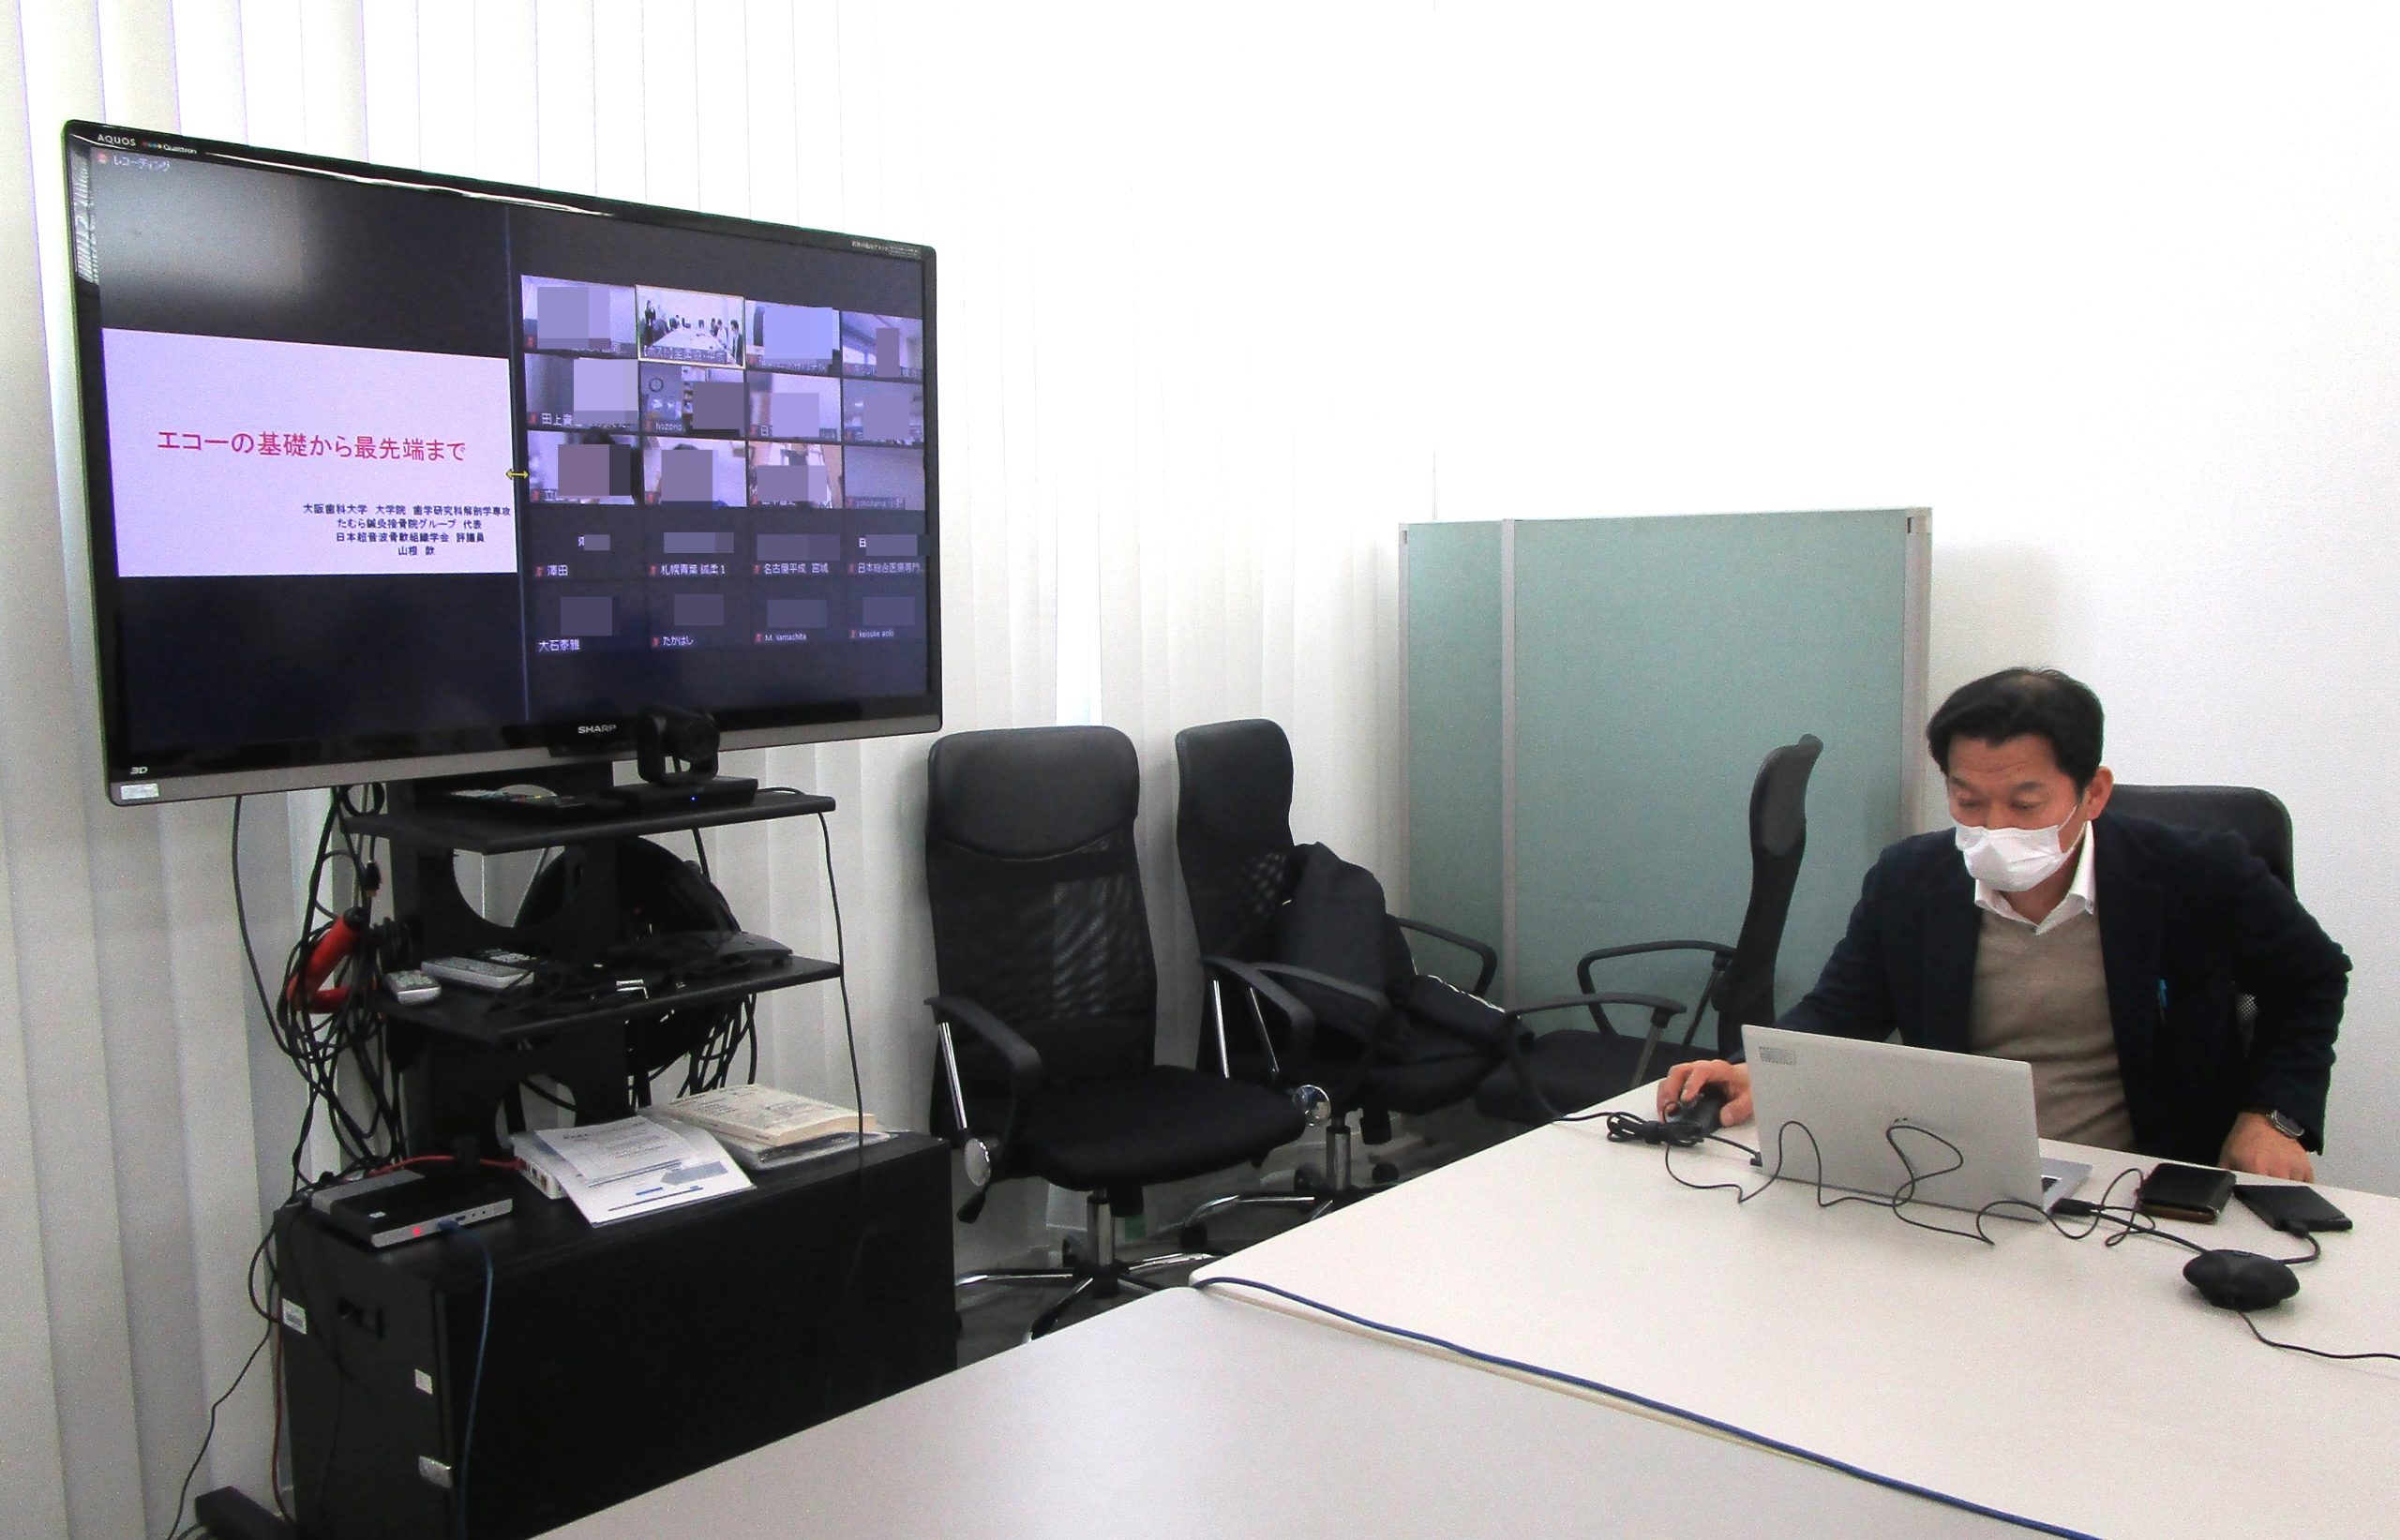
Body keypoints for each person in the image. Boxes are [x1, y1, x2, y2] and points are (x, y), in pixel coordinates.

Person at [1658, 666, 2348, 1179]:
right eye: (1968, 800)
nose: (1994, 827)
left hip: (2140, 1186)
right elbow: (1840, 1014)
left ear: (2093, 792)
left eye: (2025, 803)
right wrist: (1761, 1070)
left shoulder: (2197, 873)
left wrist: (2273, 1117)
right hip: (1958, 1178)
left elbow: (2313, 980)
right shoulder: (1911, 881)